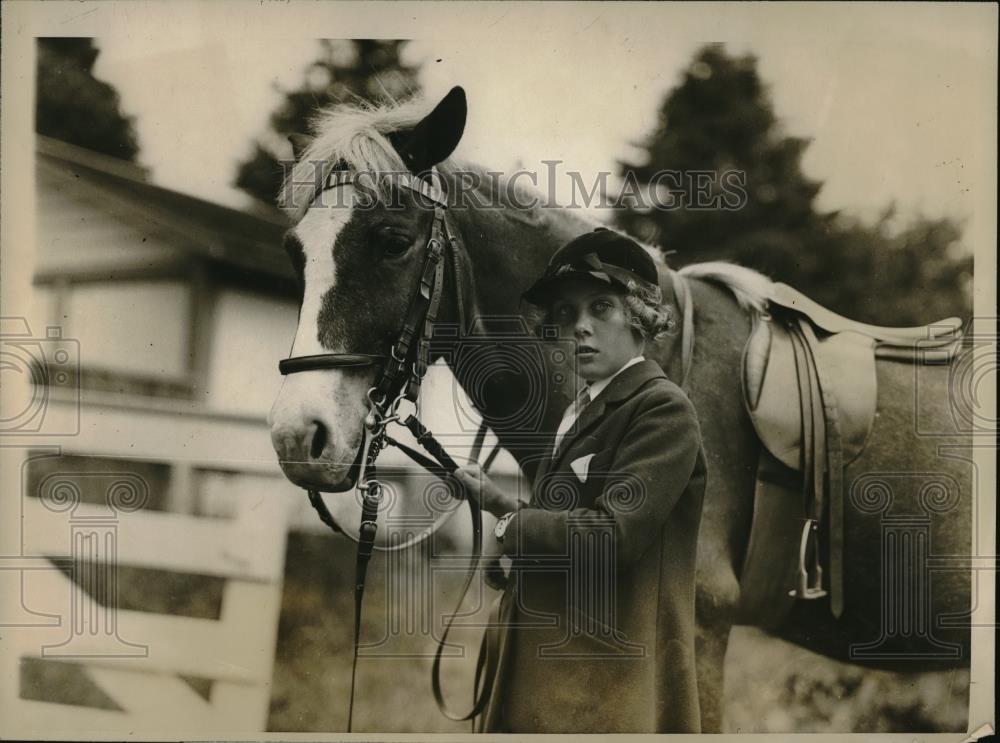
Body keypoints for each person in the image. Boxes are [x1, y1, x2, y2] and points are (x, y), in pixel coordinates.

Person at [452, 227, 708, 733]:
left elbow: (611, 537)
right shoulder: (584, 407)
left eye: (601, 307)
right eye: (566, 314)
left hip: (604, 688)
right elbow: (568, 520)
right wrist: (500, 508)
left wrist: (510, 530)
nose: (580, 328)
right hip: (557, 675)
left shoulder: (661, 408)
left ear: (640, 318)